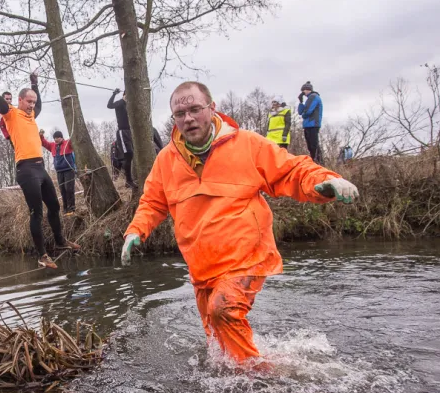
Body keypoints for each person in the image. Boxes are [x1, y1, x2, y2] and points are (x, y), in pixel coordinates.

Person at [121, 81, 359, 365]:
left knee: (224, 311)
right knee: (216, 343)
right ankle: (266, 368)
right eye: (180, 113)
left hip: (246, 256)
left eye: (195, 109)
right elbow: (152, 202)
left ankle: (261, 379)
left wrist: (325, 181)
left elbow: (291, 170)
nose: (188, 118)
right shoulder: (166, 160)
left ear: (211, 108)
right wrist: (135, 231)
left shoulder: (246, 143)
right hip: (202, 266)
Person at [0, 55, 80, 269]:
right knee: (36, 211)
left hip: (40, 168)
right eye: (29, 101)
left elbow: (41, 104)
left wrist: (35, 82)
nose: (32, 105)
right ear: (20, 100)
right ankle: (42, 255)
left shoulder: (32, 116)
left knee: (54, 206)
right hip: (26, 169)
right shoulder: (11, 113)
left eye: (33, 102)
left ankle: (60, 241)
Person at [107, 88, 137, 189]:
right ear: (124, 95)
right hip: (122, 132)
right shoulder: (120, 103)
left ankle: (130, 179)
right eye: (127, 96)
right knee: (128, 155)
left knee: (132, 155)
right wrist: (114, 94)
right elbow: (109, 105)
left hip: (131, 132)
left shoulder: (131, 105)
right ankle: (128, 181)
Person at [41, 130, 76, 215]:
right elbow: (44, 143)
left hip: (69, 170)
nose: (56, 139)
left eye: (57, 137)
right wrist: (41, 136)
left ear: (61, 137)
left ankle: (71, 208)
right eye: (54, 138)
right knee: (62, 190)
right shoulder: (52, 146)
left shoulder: (67, 143)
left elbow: (74, 139)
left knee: (69, 189)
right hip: (59, 171)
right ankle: (65, 208)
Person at [298, 81, 324, 164]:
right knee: (310, 146)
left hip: (313, 124)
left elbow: (307, 112)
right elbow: (300, 111)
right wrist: (301, 101)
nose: (303, 93)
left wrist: (304, 115)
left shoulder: (313, 96)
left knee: (314, 145)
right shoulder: (308, 99)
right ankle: (316, 161)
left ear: (307, 89)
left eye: (303, 91)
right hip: (307, 125)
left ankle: (319, 162)